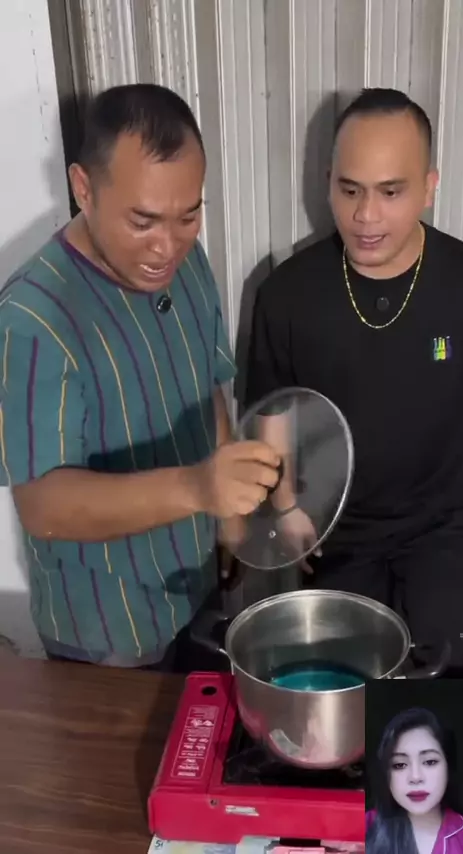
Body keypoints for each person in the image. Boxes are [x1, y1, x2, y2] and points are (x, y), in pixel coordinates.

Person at [0, 84, 280, 670]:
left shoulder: (186, 262)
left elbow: (207, 386)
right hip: (108, 630)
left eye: (189, 215)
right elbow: (44, 507)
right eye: (142, 220)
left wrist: (230, 520)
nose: (166, 246)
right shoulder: (32, 320)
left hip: (196, 585)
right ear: (83, 188)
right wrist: (199, 488)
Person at [246, 87, 463, 674]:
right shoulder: (287, 295)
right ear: (328, 182)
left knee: (449, 698)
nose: (366, 216)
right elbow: (271, 414)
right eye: (349, 190)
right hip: (341, 539)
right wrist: (288, 511)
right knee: (349, 700)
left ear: (428, 186)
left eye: (390, 192)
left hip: (448, 536)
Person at [366, 707, 463, 853]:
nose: (415, 777)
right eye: (400, 765)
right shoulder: (364, 827)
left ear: (448, 766)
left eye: (430, 762)